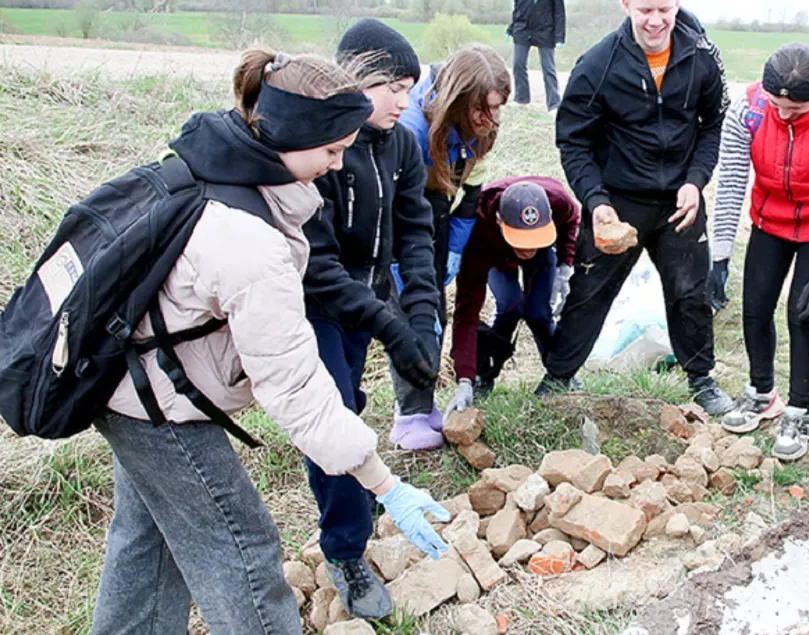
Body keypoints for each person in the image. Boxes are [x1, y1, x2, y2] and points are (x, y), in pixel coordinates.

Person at [91, 48, 449, 635]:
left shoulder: (218, 162)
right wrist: (387, 485)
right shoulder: (250, 242)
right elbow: (296, 390)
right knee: (244, 549)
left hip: (136, 383)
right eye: (333, 150)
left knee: (148, 539)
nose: (338, 165)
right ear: (298, 135)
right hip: (160, 404)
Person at [299, 20, 440, 619]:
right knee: (331, 419)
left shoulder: (402, 144)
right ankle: (347, 552)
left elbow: (416, 234)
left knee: (352, 402)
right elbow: (318, 264)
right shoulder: (323, 152)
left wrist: (424, 318)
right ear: (356, 82)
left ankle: (363, 489)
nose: (406, 102)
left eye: (412, 88)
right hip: (319, 307)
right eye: (395, 89)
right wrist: (390, 325)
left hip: (369, 298)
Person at [545, 0, 735, 415]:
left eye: (664, 8)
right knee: (589, 291)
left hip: (680, 202)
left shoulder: (703, 56)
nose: (655, 20)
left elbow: (713, 125)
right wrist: (595, 201)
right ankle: (558, 377)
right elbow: (573, 141)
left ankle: (701, 379)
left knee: (691, 293)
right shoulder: (597, 64)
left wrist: (696, 181)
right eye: (645, 8)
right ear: (626, 4)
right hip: (617, 201)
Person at [708, 43, 809, 461]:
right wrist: (720, 255)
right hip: (769, 219)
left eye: (794, 110)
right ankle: (762, 393)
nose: (782, 114)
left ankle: (800, 409)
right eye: (775, 104)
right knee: (755, 308)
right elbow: (730, 182)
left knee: (802, 313)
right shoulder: (748, 108)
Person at [390, 43, 510, 449]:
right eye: (483, 110)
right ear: (459, 100)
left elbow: (472, 191)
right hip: (401, 215)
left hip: (439, 204)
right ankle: (409, 414)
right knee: (410, 313)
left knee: (434, 307)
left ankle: (423, 405)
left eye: (498, 108)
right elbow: (398, 210)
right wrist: (401, 262)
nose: (491, 120)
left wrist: (452, 251)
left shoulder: (481, 125)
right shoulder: (411, 130)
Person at [447, 178, 579, 410]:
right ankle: (484, 375)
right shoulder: (478, 232)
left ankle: (562, 373)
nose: (527, 249)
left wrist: (565, 266)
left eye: (532, 241)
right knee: (510, 307)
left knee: (539, 313)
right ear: (499, 220)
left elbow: (571, 220)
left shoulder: (559, 202)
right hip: (496, 253)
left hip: (544, 252)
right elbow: (466, 314)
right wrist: (464, 378)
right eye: (522, 241)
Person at [507, 0, 565, 111]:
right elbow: (517, 9)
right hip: (522, 30)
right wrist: (511, 28)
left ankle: (554, 104)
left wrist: (559, 36)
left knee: (548, 68)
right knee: (518, 64)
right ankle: (521, 99)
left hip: (546, 31)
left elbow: (559, 13)